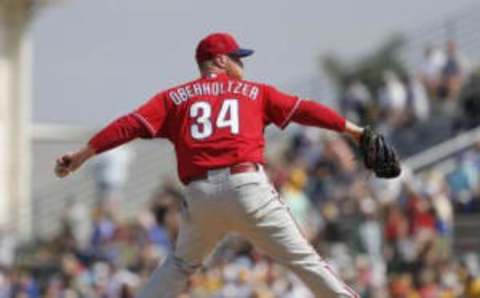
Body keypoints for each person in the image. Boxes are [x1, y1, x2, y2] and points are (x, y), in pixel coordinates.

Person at [54, 32, 398, 298]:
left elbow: (128, 125)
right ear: (220, 60)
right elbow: (305, 109)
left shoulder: (172, 98)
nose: (242, 65)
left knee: (178, 265)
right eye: (237, 58)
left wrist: (83, 154)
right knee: (305, 260)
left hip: (200, 196)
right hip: (246, 186)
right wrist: (353, 130)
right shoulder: (255, 92)